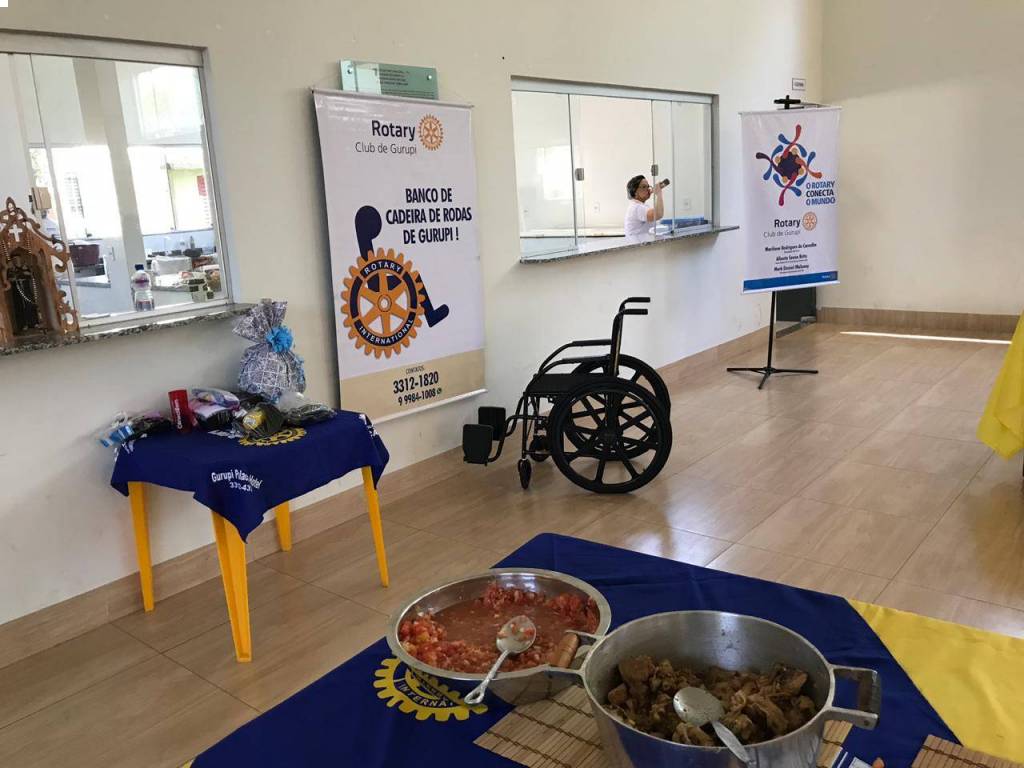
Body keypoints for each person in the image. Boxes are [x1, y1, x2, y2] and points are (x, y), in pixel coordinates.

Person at [624, 175, 664, 240]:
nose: (648, 189)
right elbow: (658, 214)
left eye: (648, 186)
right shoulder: (636, 207)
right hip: (638, 245)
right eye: (644, 187)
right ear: (635, 192)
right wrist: (659, 193)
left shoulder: (642, 205)